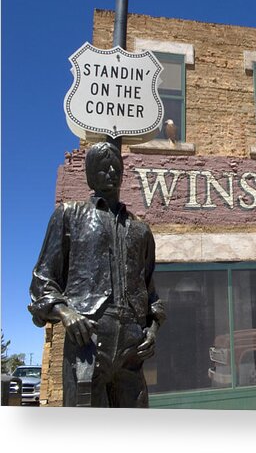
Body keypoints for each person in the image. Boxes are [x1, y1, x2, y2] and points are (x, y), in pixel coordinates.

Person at [28, 142, 165, 407]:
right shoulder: (69, 216)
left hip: (131, 350)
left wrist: (153, 330)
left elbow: (151, 294)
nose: (111, 171)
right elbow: (42, 283)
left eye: (116, 166)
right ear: (90, 175)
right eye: (102, 167)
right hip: (87, 344)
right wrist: (67, 315)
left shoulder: (141, 231)